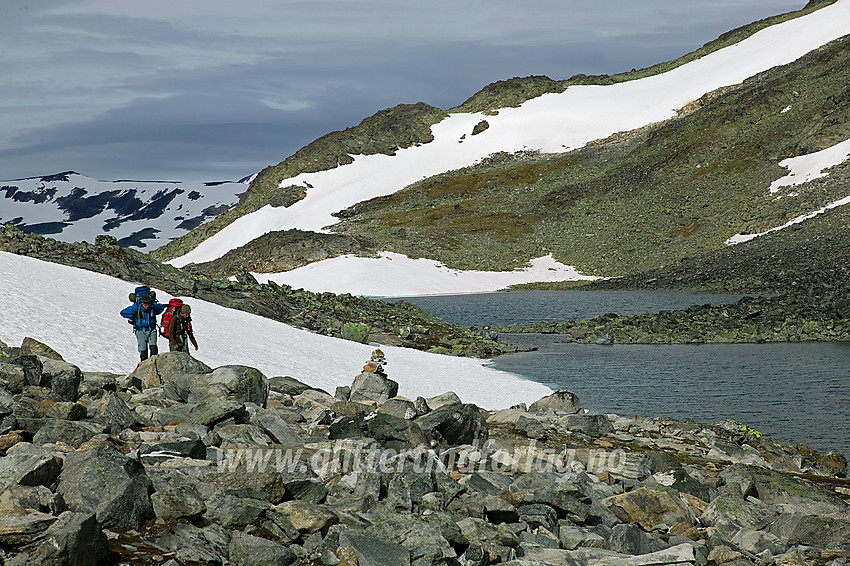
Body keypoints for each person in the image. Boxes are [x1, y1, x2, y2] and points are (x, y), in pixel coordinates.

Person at [120, 294, 166, 362]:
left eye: (148, 303)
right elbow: (122, 312)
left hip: (152, 329)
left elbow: (161, 307)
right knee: (143, 351)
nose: (147, 305)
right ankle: (145, 367)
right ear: (142, 303)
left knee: (154, 349)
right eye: (145, 303)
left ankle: (154, 364)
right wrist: (133, 317)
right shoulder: (136, 308)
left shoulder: (153, 306)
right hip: (140, 330)